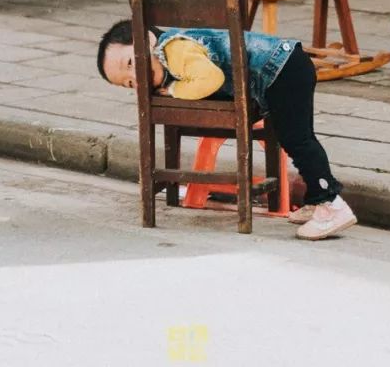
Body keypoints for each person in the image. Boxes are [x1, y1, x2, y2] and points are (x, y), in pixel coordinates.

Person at [97, 19, 358, 240]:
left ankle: (331, 203)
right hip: (280, 70)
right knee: (291, 137)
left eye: (130, 64)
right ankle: (316, 199)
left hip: (284, 69)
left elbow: (211, 78)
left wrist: (176, 90)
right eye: (128, 83)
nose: (136, 79)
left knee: (298, 139)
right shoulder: (168, 55)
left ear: (148, 39)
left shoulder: (174, 49)